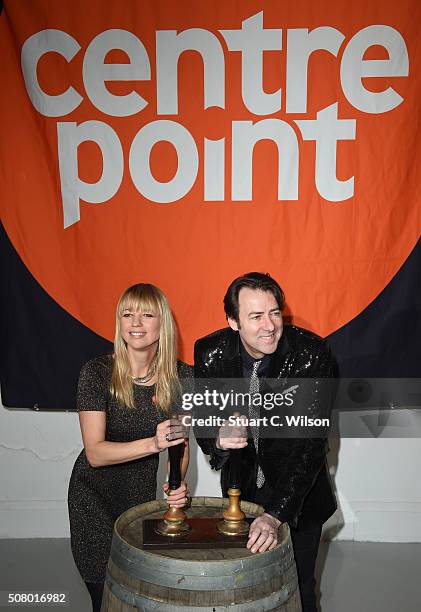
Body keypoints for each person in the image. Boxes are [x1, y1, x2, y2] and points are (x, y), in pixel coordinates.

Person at [194, 272, 336, 612]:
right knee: (245, 587)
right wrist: (217, 437)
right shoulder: (210, 352)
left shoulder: (312, 354)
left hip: (298, 495)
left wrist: (276, 515)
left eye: (275, 312)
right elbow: (202, 418)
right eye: (255, 316)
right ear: (233, 321)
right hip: (240, 492)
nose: (269, 325)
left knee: (298, 588)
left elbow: (310, 445)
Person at [68, 283, 190, 612]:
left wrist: (175, 483)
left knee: (135, 592)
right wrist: (153, 443)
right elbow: (95, 453)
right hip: (92, 497)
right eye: (127, 313)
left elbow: (179, 442)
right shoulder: (96, 373)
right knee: (104, 597)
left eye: (147, 314)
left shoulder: (182, 376)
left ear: (162, 322)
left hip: (138, 500)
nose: (136, 322)